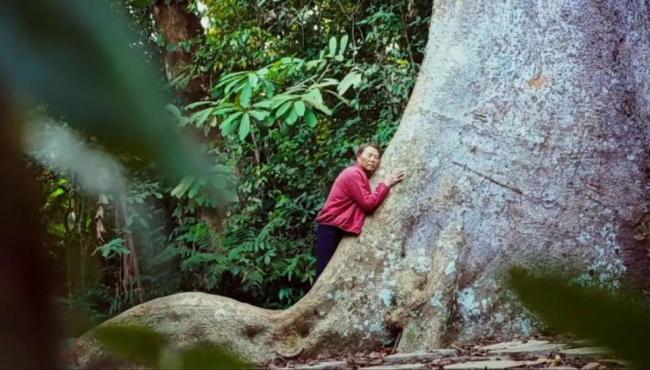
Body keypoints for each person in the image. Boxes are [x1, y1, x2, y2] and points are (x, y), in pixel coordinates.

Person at [314, 143, 405, 278]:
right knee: (323, 271)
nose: (373, 160)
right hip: (330, 227)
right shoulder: (353, 173)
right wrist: (386, 184)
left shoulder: (361, 175)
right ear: (358, 156)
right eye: (369, 155)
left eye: (376, 157)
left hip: (338, 226)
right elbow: (368, 204)